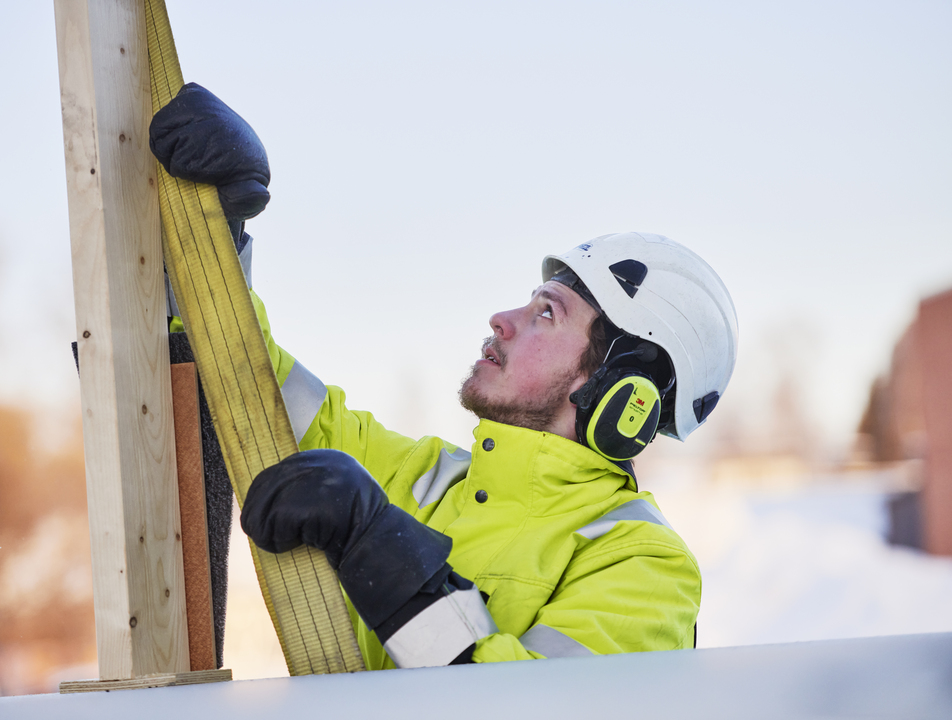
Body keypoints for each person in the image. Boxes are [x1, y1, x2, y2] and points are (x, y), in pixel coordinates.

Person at [150, 84, 738, 670]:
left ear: (622, 396)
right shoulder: (431, 481)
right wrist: (217, 234)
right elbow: (262, 402)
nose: (502, 320)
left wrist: (383, 550)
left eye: (546, 313)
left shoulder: (641, 562)